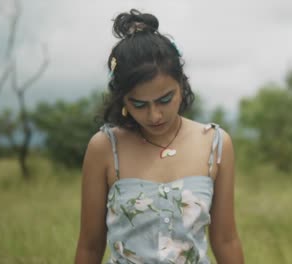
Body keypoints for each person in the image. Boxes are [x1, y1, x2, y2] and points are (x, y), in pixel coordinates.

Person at [74, 9, 244, 264]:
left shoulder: (215, 144)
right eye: (139, 104)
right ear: (123, 101)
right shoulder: (105, 148)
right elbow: (90, 246)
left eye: (165, 99)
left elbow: (226, 240)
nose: (154, 115)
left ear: (182, 85)